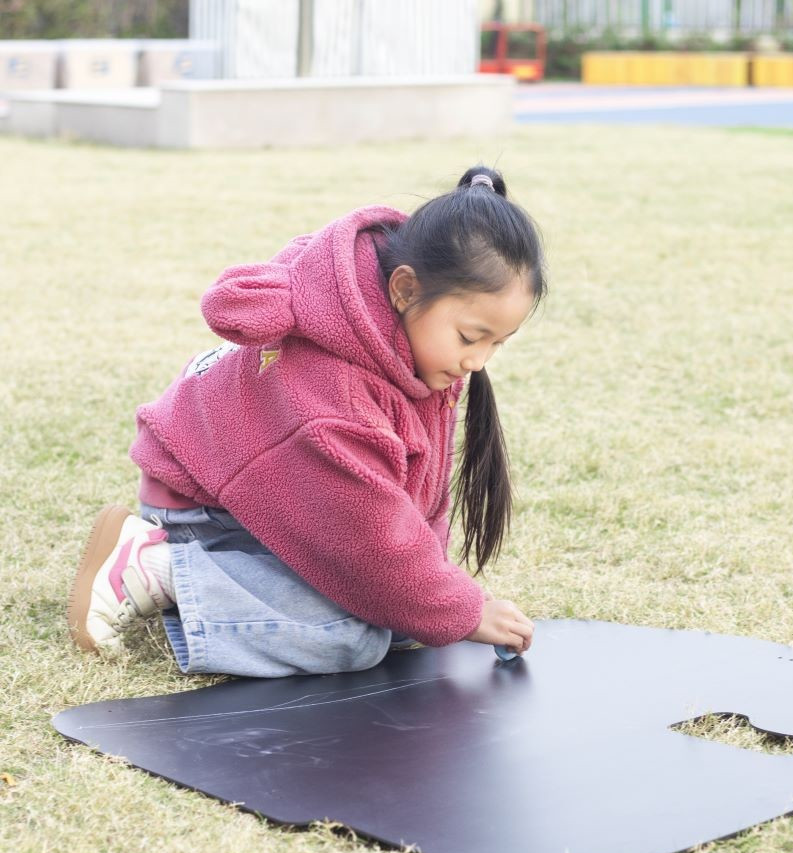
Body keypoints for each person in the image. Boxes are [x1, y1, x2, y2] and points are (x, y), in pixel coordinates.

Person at [67, 166, 545, 678]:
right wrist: (464, 610)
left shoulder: (413, 344)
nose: (479, 360)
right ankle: (157, 568)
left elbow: (403, 499)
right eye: (471, 337)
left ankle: (205, 580)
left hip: (287, 501)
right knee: (348, 637)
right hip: (209, 514)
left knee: (403, 618)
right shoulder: (331, 398)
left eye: (498, 342)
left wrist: (440, 596)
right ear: (405, 289)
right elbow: (371, 542)